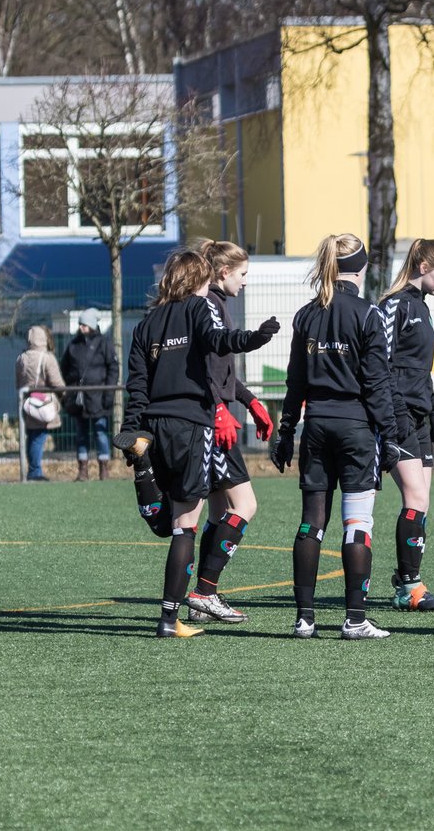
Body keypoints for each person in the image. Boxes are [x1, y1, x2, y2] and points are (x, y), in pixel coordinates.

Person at [119, 247, 279, 638]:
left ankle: (145, 480)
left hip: (155, 427)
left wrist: (132, 428)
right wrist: (255, 338)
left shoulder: (147, 324)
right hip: (193, 424)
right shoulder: (199, 307)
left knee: (175, 522)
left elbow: (137, 384)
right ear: (198, 279)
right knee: (184, 526)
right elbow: (218, 341)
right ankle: (170, 619)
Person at [272, 233, 400, 640]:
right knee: (357, 525)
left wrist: (285, 432)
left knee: (311, 524)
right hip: (356, 429)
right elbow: (378, 383)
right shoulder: (367, 314)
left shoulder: (307, 314)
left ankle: (305, 620)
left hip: (316, 428)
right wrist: (392, 436)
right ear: (361, 268)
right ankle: (355, 619)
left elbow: (295, 383)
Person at [182, 240, 279, 625]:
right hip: (210, 422)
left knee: (220, 511)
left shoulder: (216, 304)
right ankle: (204, 591)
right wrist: (220, 408)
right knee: (245, 506)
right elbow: (203, 368)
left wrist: (251, 401)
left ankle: (203, 593)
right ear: (223, 273)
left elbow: (221, 371)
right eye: (243, 274)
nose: (245, 282)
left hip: (214, 417)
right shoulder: (207, 305)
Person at [379, 238, 434, 611]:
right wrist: (391, 417)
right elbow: (380, 365)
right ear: (424, 266)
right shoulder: (392, 305)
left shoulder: (422, 308)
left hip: (421, 415)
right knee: (415, 497)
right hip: (399, 415)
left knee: (422, 501)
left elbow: (420, 369)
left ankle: (408, 580)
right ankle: (409, 587)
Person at [60, 308, 117, 481]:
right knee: (81, 433)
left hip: (98, 396)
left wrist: (109, 394)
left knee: (100, 432)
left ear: (92, 325)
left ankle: (104, 469)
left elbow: (113, 369)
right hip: (79, 398)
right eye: (80, 324)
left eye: (84, 324)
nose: (81, 327)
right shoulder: (73, 344)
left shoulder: (104, 343)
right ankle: (82, 470)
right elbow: (65, 367)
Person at [16, 325, 64, 482]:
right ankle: (35, 472)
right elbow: (57, 382)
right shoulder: (47, 358)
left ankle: (32, 469)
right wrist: (63, 395)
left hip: (28, 402)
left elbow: (18, 382)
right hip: (43, 403)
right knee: (39, 437)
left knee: (31, 436)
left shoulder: (21, 358)